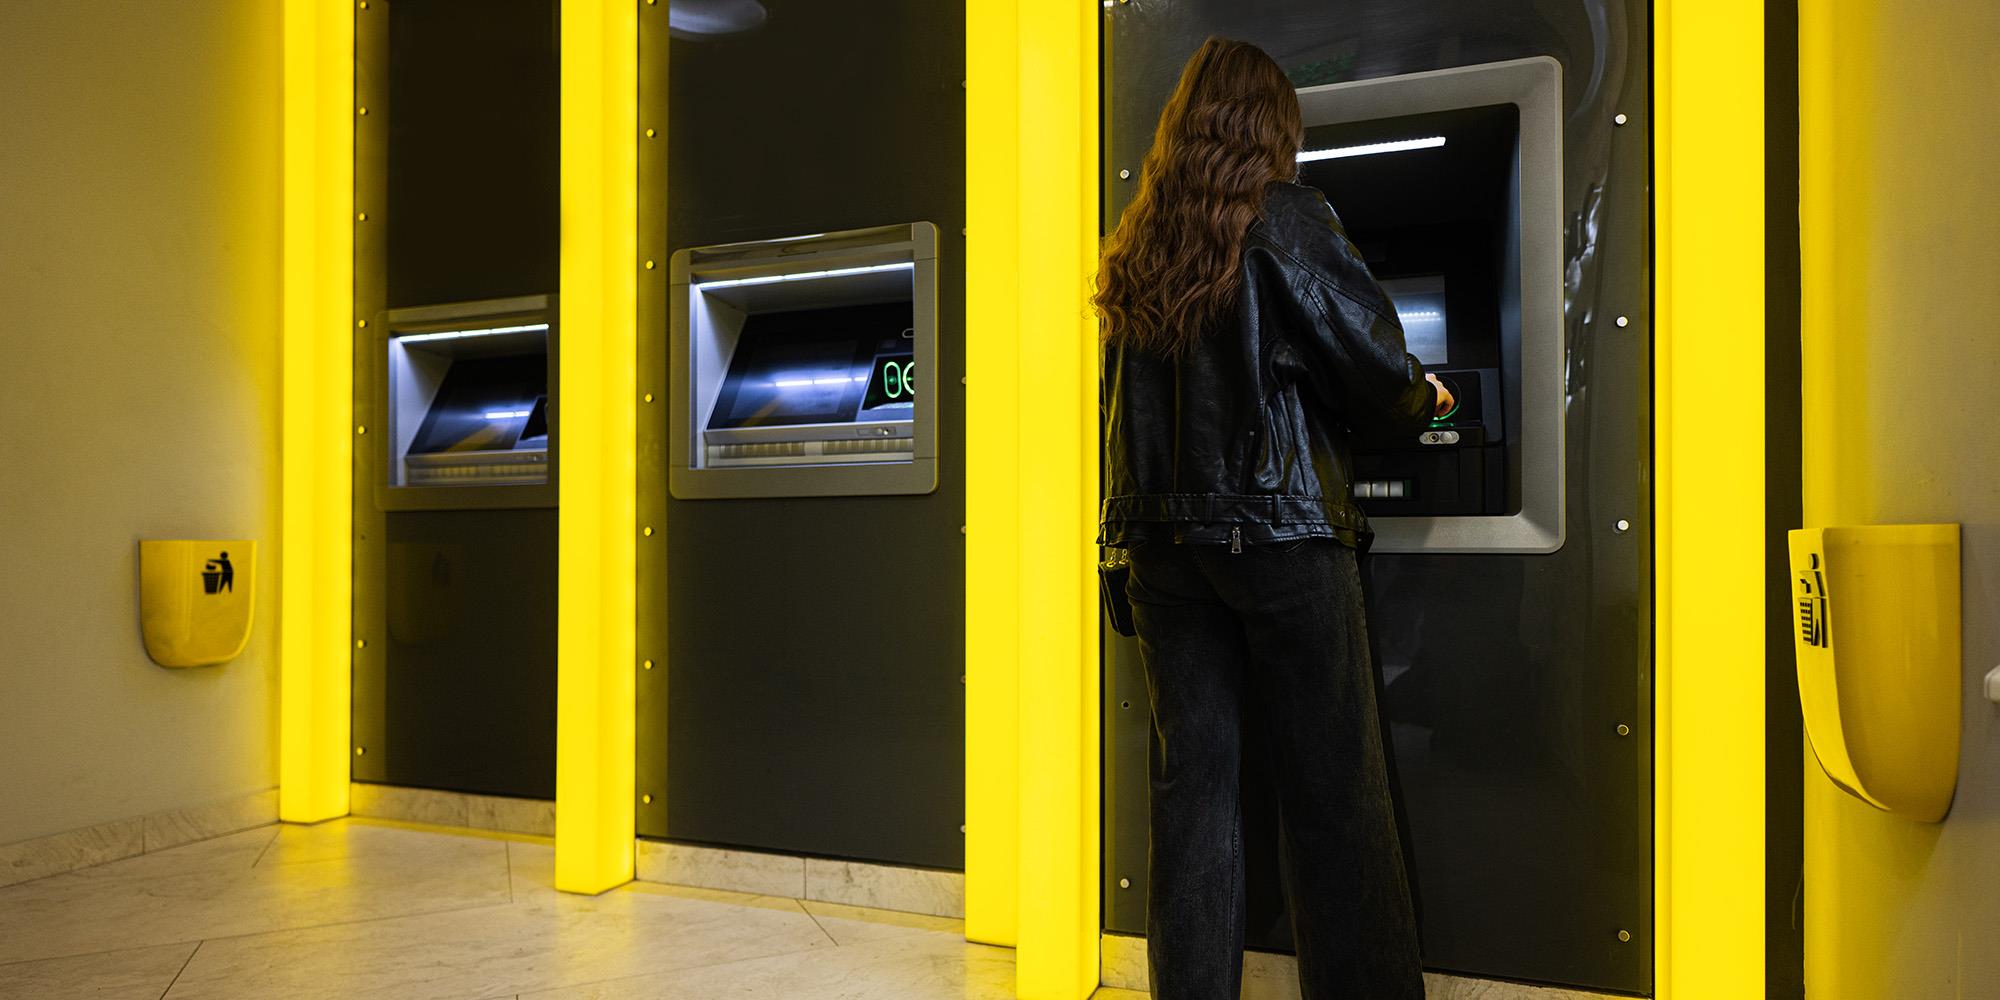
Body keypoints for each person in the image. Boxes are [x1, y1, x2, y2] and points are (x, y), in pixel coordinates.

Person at [1094, 36, 1452, 1000]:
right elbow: (1376, 369)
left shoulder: (1141, 242)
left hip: (1164, 548)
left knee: (1193, 793)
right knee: (1334, 792)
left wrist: (1116, 545)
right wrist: (1426, 398)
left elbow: (1120, 414)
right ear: (1272, 130)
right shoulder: (1287, 217)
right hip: (1281, 533)